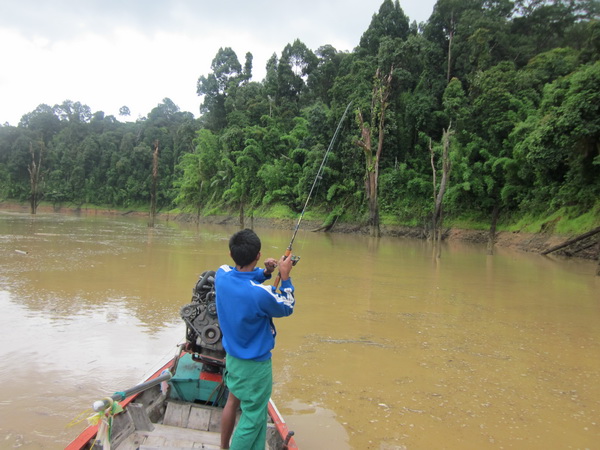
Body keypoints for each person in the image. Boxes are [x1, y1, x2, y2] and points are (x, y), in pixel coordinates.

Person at [215, 228, 295, 450]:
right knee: (252, 418)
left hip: (233, 359)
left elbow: (241, 276)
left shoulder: (221, 275)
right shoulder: (260, 295)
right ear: (258, 255)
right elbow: (287, 307)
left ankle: (223, 447)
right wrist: (285, 277)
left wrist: (265, 273)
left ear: (231, 254)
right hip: (255, 366)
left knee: (232, 401)